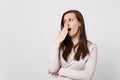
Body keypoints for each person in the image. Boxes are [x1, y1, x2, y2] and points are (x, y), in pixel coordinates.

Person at [48, 10, 97, 80]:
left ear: (79, 23)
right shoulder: (59, 45)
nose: (66, 24)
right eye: (64, 21)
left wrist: (61, 71)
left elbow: (87, 76)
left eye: (70, 20)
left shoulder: (91, 47)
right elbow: (53, 69)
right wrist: (57, 42)